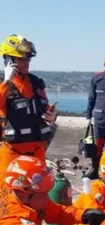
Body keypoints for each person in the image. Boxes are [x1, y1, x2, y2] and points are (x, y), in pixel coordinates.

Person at [0, 34, 57, 173]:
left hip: (37, 148)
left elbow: (44, 107)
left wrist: (51, 116)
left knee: (39, 191)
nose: (26, 62)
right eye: (21, 59)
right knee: (6, 190)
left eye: (28, 58)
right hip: (13, 149)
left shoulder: (36, 82)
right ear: (9, 59)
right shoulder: (3, 83)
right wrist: (7, 81)